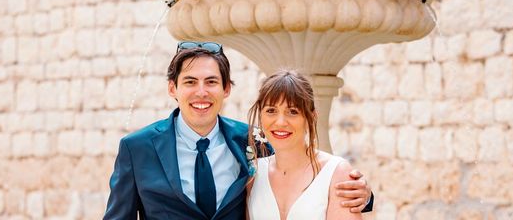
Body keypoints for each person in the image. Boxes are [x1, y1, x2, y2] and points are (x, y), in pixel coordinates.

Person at [104, 42, 372, 219]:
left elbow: (301, 166)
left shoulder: (255, 141)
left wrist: (364, 195)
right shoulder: (136, 148)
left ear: (226, 89)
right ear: (172, 88)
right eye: (190, 82)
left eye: (211, 81)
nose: (201, 92)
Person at [246, 70, 366, 220]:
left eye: (292, 111)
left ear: (311, 117)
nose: (281, 122)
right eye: (271, 110)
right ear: (260, 115)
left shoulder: (336, 172)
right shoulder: (253, 173)